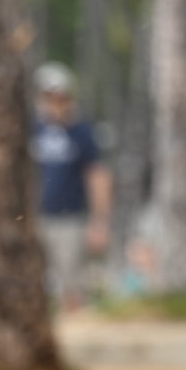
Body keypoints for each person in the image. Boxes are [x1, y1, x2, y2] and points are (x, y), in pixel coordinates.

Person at [30, 63, 112, 309]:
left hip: (70, 220)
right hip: (34, 218)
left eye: (58, 96)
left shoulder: (82, 132)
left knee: (72, 287)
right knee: (30, 287)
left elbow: (97, 176)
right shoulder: (31, 130)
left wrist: (100, 221)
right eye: (47, 96)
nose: (53, 102)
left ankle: (75, 336)